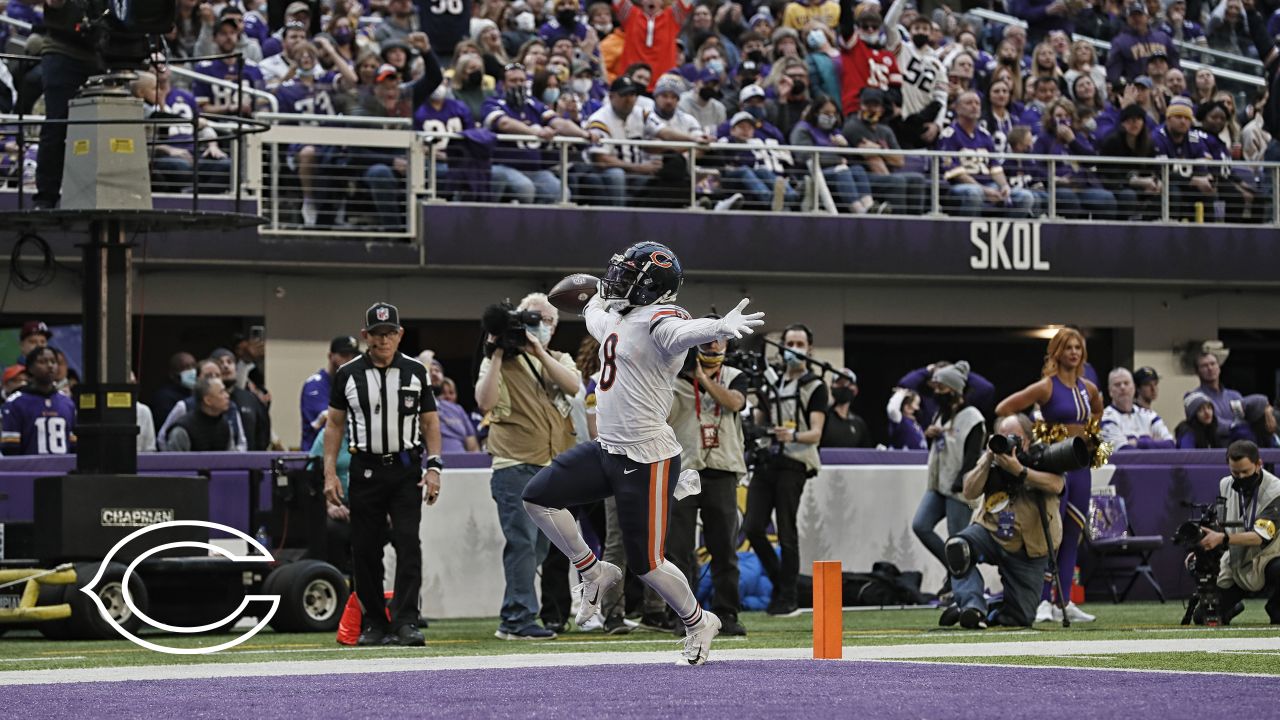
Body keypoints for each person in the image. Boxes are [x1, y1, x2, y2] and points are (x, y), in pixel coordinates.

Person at [521, 242, 764, 665]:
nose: (617, 279)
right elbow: (596, 306)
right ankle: (592, 569)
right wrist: (589, 289)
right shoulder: (619, 315)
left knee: (646, 563)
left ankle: (698, 620)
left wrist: (718, 327)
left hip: (647, 457)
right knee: (538, 497)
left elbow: (681, 333)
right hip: (608, 449)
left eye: (626, 274)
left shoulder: (661, 320)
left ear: (650, 286)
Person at [323, 302, 442, 648]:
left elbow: (430, 421)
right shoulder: (347, 374)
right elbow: (334, 424)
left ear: (400, 334)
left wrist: (434, 467)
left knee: (408, 543)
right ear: (366, 336)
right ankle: (374, 622)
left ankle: (406, 620)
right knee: (365, 549)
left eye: (390, 333)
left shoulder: (417, 372)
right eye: (377, 334)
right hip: (366, 469)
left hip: (406, 468)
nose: (383, 340)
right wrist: (329, 474)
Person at [476, 292, 580, 640]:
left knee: (540, 546)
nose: (540, 325)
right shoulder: (501, 360)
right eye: (532, 318)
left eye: (546, 320)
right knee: (522, 542)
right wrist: (497, 353)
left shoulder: (558, 357)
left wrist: (538, 351)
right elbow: (484, 402)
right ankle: (519, 618)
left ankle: (512, 615)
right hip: (514, 464)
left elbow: (574, 387)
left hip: (553, 466)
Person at [996, 327, 1103, 624]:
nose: (1074, 352)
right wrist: (1034, 431)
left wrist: (1090, 436)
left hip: (1081, 466)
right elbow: (1004, 408)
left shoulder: (1088, 388)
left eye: (1078, 348)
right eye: (1068, 347)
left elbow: (1097, 411)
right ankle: (1043, 600)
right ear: (1057, 352)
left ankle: (1064, 601)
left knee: (1073, 533)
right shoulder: (1046, 386)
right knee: (1050, 533)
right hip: (1056, 463)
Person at [939, 414, 1064, 629]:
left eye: (1014, 437)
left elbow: (1056, 485)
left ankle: (989, 609)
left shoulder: (1042, 457)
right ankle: (972, 607)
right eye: (1002, 437)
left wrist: (1020, 471)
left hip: (1030, 547)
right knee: (958, 549)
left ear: (1028, 438)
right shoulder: (992, 460)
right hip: (992, 532)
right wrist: (988, 457)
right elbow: (969, 492)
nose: (1007, 442)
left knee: (1019, 618)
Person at [665, 330, 750, 637]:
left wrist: (703, 377)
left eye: (718, 340)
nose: (712, 344)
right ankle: (683, 615)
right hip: (683, 469)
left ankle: (727, 613)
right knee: (678, 549)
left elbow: (735, 403)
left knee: (724, 547)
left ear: (727, 345)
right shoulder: (673, 376)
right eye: (706, 339)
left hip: (721, 468)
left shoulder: (735, 376)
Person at [744, 323, 827, 616]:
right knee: (752, 527)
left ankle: (788, 595)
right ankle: (781, 581)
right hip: (767, 459)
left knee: (786, 529)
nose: (794, 348)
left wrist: (789, 435)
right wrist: (758, 425)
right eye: (789, 342)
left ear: (809, 349)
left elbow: (816, 433)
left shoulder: (815, 386)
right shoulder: (771, 381)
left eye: (800, 343)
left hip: (795, 461)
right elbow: (757, 417)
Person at [913, 361, 984, 596]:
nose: (936, 393)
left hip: (959, 487)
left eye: (941, 388)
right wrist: (931, 434)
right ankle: (953, 570)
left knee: (958, 539)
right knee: (921, 525)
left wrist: (963, 480)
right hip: (937, 484)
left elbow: (973, 454)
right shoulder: (941, 414)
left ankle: (966, 589)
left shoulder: (973, 418)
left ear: (954, 390)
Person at [1196, 440, 1280, 624]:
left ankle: (1276, 607)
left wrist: (1223, 539)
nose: (1240, 477)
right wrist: (1204, 543)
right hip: (1237, 558)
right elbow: (1222, 524)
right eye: (1235, 472)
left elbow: (1260, 537)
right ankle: (1232, 608)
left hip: (1269, 557)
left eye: (1245, 472)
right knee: (1204, 618)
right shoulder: (1225, 484)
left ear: (1259, 464)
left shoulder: (1276, 491)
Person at [33, 0, 98, 209]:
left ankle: (97, 193)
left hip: (101, 56)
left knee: (100, 128)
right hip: (62, 51)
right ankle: (46, 195)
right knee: (57, 123)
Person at [1, 347, 76, 455]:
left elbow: (74, 445)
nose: (50, 366)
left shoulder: (67, 402)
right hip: (30, 470)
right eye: (42, 361)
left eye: (53, 361)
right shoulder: (15, 403)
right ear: (30, 368)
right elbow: (10, 449)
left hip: (63, 469)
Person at [300, 336, 360, 451]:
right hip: (317, 457)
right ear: (330, 356)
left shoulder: (353, 385)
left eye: (353, 357)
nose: (349, 361)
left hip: (346, 457)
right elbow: (328, 419)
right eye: (344, 355)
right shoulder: (314, 386)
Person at [1101, 367, 1175, 450]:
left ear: (1134, 387)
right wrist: (1152, 442)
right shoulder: (1105, 417)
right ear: (1110, 391)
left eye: (1126, 383)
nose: (1122, 387)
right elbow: (1124, 452)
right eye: (1117, 384)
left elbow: (1170, 445)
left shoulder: (1149, 415)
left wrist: (1138, 443)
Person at [167, 377, 239, 452]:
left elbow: (231, 458)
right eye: (221, 392)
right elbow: (175, 461)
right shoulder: (182, 430)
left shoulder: (225, 425)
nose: (227, 396)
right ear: (207, 400)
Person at [1186, 350, 1244, 443]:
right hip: (1212, 451)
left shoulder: (1234, 396)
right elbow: (1213, 426)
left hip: (1239, 447)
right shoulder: (1194, 397)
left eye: (1213, 364)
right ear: (1197, 372)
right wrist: (1235, 427)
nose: (1210, 368)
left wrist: (1239, 427)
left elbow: (1243, 420)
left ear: (1219, 367)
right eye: (1204, 366)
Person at [429, 360, 479, 453]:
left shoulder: (458, 409)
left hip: (461, 462)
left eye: (437, 370)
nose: (434, 373)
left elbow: (473, 446)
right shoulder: (418, 404)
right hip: (431, 463)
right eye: (429, 370)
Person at [820, 369, 873, 447]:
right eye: (840, 383)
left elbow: (865, 453)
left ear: (855, 390)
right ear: (832, 387)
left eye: (849, 383)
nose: (844, 386)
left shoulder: (859, 424)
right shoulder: (823, 417)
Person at [152, 351, 197, 430]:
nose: (192, 371)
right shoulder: (164, 397)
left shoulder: (197, 393)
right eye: (186, 368)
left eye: (193, 366)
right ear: (173, 375)